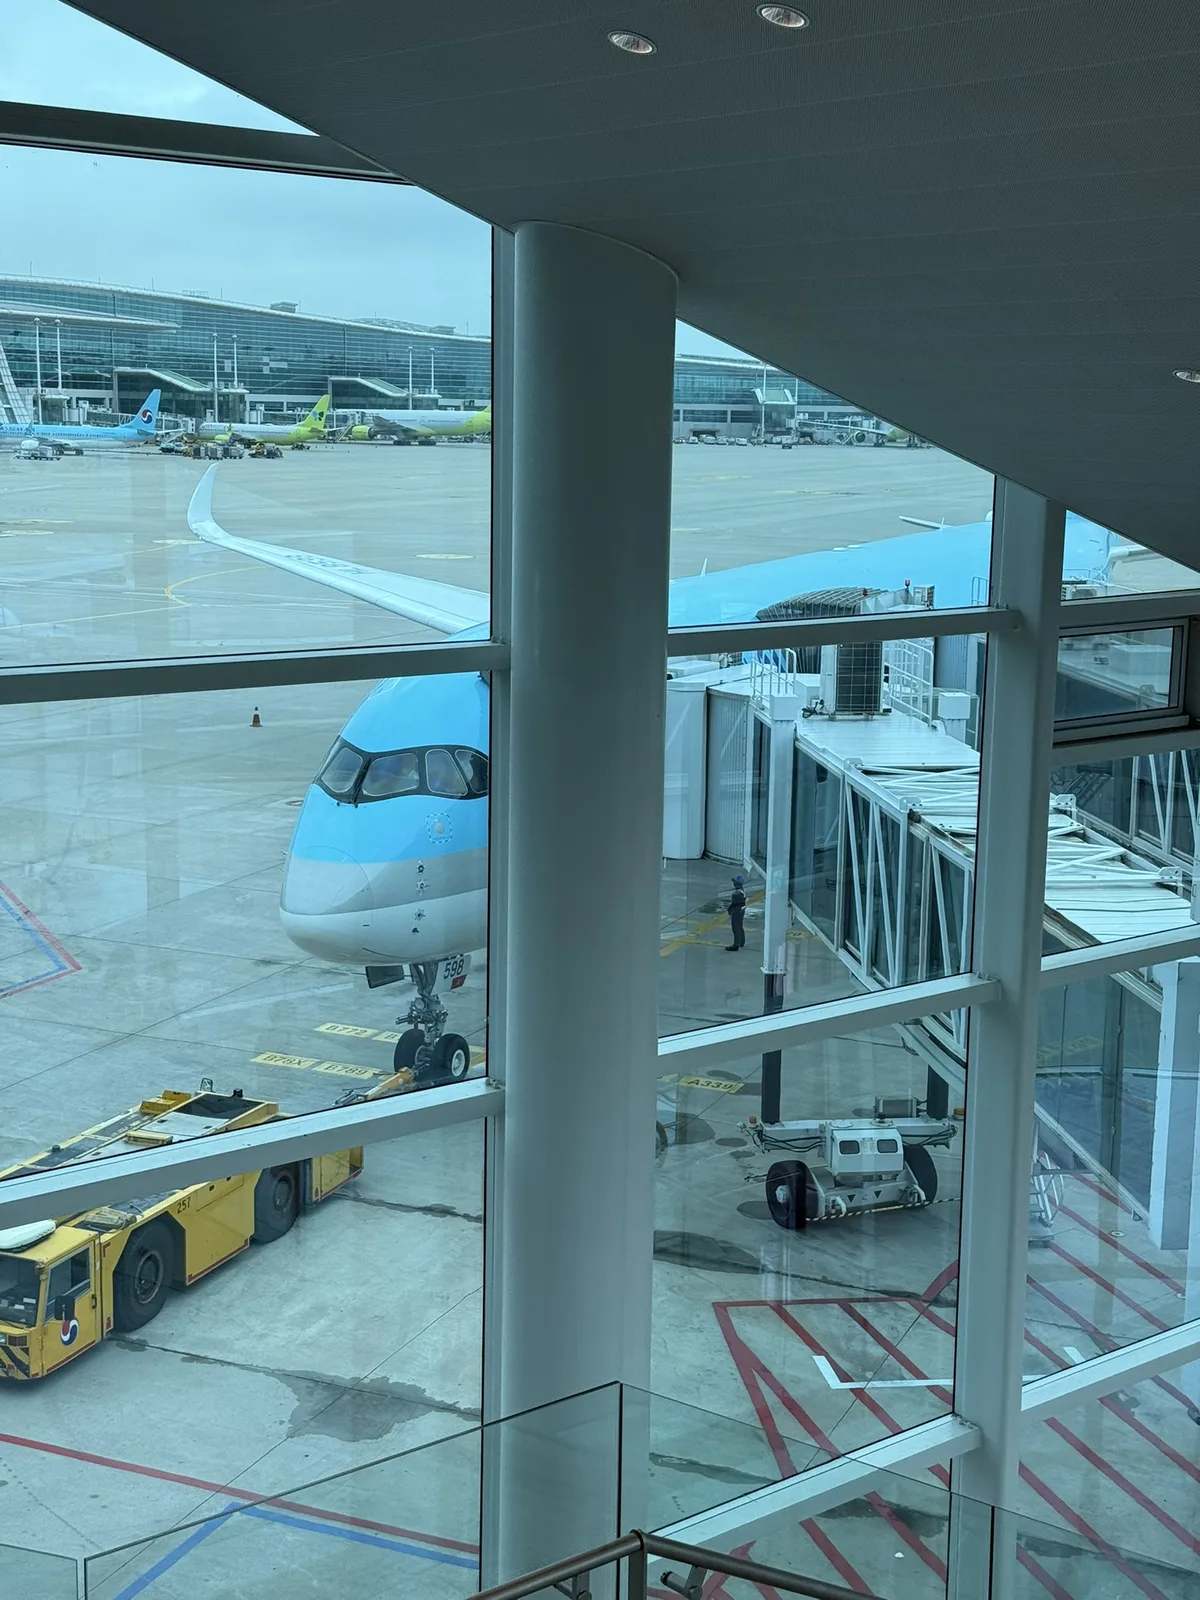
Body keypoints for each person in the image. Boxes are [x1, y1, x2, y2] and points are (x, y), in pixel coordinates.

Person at [726, 874, 747, 951]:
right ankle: (742, 941)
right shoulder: (742, 891)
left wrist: (730, 910)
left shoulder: (737, 893)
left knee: (736, 927)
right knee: (740, 926)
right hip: (741, 910)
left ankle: (736, 945)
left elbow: (734, 904)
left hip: (737, 911)